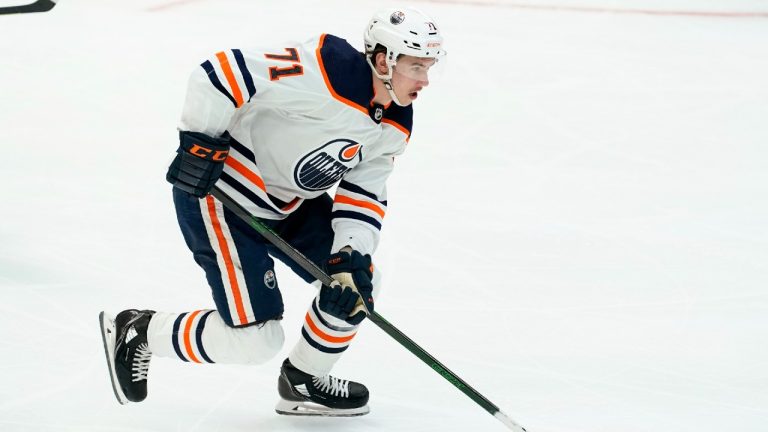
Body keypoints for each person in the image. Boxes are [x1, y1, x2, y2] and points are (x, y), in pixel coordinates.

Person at [99, 6, 445, 417]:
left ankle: (302, 379)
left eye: (428, 67)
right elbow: (220, 73)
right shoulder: (324, 69)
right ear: (386, 60)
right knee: (255, 341)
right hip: (221, 200)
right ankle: (140, 330)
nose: (425, 80)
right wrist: (199, 141)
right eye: (417, 67)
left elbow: (363, 194)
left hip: (289, 206)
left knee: (358, 287)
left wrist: (349, 256)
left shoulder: (395, 122)